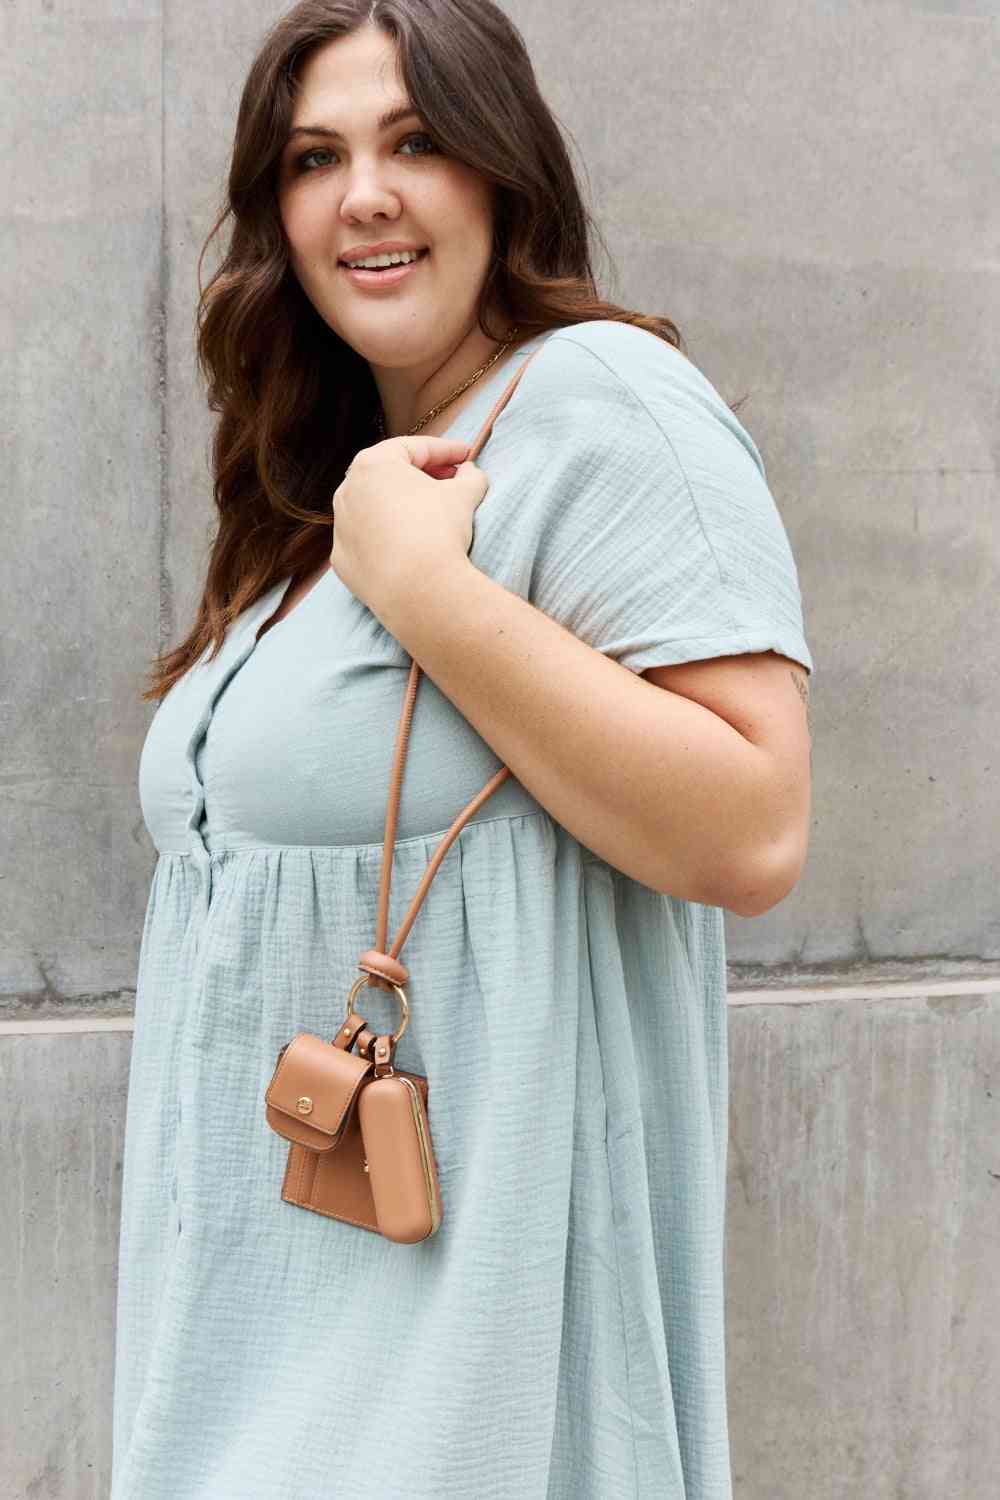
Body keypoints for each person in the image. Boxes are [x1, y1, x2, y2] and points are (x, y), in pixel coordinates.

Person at [110, 2, 814, 1496]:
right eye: (315, 156)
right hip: (240, 1354)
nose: (364, 192)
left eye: (416, 142)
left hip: (460, 1387)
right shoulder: (314, 494)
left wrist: (425, 587)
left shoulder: (603, 407)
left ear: (503, 176)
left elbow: (753, 826)